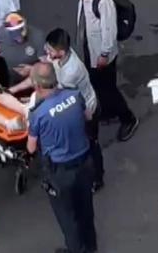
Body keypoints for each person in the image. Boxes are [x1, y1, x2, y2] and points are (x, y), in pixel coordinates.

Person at [11, 28, 104, 193]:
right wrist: (18, 86)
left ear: (61, 52)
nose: (47, 53)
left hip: (86, 110)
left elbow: (52, 90)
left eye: (50, 50)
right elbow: (44, 77)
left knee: (90, 145)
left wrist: (31, 102)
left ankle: (97, 178)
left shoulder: (71, 72)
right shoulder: (59, 58)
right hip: (76, 106)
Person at [27, 62, 97, 253]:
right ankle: (91, 247)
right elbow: (88, 116)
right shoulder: (74, 95)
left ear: (37, 86)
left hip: (60, 172)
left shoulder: (38, 114)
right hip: (85, 163)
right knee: (86, 210)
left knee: (68, 217)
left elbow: (31, 148)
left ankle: (76, 250)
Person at [71, 0, 138, 142]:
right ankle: (108, 111)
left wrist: (104, 54)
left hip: (101, 55)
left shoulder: (102, 1)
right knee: (97, 84)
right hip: (90, 49)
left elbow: (109, 30)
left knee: (108, 89)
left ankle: (128, 119)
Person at [0, 12, 46, 86]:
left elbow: (45, 64)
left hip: (32, 79)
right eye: (13, 32)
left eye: (20, 29)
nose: (18, 34)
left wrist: (32, 69)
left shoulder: (38, 36)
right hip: (10, 74)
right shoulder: (2, 32)